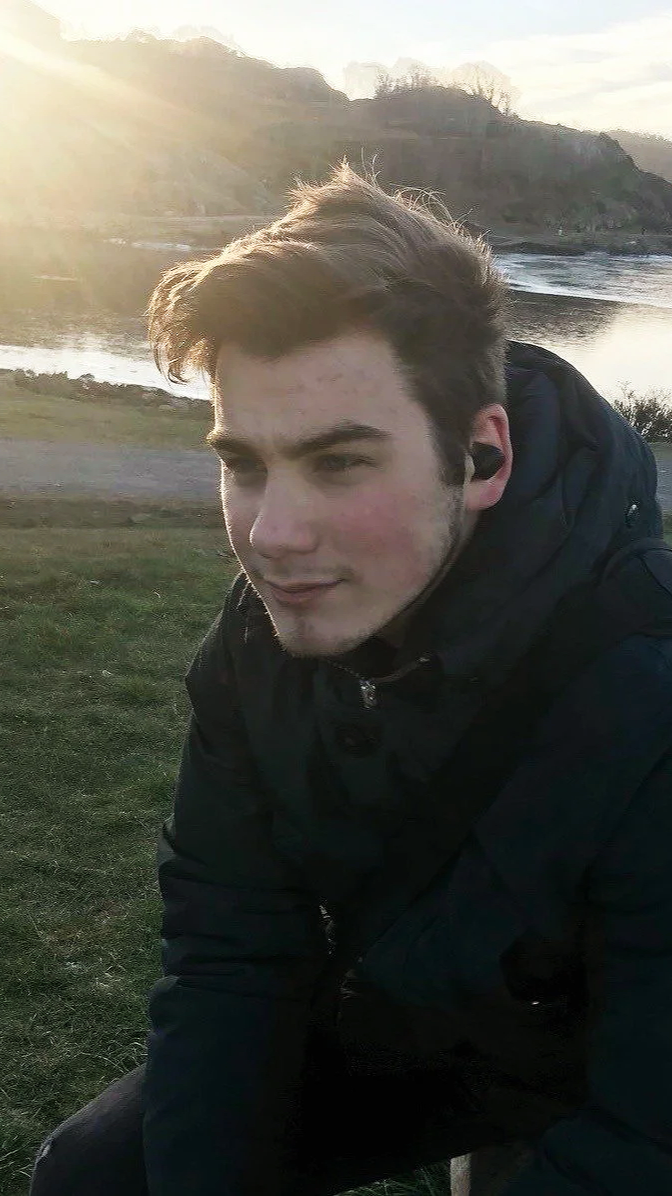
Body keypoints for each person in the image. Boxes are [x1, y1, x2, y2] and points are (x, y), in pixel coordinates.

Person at [30, 165, 672, 1196]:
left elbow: (651, 1130)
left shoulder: (648, 687)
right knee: (104, 1175)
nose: (271, 537)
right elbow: (231, 954)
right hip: (407, 1018)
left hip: (609, 1060)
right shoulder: (250, 653)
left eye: (340, 463)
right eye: (244, 463)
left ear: (483, 455)